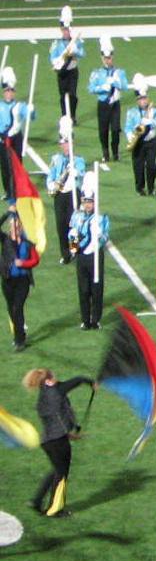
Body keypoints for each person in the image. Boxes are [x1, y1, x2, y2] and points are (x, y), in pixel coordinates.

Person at [24, 367, 94, 517]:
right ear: (49, 378)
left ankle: (36, 500)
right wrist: (91, 382)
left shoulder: (42, 396)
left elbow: (54, 420)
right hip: (58, 441)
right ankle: (55, 510)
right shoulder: (56, 389)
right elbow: (77, 380)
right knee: (62, 473)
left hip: (47, 441)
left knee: (57, 470)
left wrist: (69, 434)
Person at [68, 175, 109, 330]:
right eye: (85, 201)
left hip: (95, 256)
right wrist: (73, 248)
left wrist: (100, 235)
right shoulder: (76, 216)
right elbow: (71, 235)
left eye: (90, 202)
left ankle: (95, 319)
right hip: (82, 257)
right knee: (83, 289)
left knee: (96, 288)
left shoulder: (102, 218)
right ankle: (85, 319)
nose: (87, 205)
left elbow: (105, 237)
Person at [46, 117, 84, 265]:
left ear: (72, 143)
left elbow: (80, 172)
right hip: (60, 195)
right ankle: (65, 254)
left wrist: (75, 171)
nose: (64, 147)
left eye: (67, 143)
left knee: (73, 225)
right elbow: (50, 176)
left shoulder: (78, 159)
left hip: (73, 194)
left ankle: (74, 249)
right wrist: (52, 185)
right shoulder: (56, 159)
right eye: (63, 144)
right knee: (61, 225)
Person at [1, 208, 38, 352]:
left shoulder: (27, 243)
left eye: (17, 226)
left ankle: (19, 341)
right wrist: (7, 213)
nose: (14, 229)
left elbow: (35, 260)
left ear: (21, 227)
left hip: (23, 281)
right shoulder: (5, 240)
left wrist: (23, 263)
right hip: (7, 280)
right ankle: (20, 334)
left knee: (18, 308)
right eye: (12, 226)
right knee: (11, 308)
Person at [87, 36, 129, 163]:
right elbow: (91, 88)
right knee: (103, 130)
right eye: (105, 58)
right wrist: (102, 87)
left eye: (109, 58)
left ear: (112, 57)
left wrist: (115, 82)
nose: (107, 61)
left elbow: (125, 86)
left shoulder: (119, 72)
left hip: (115, 104)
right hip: (103, 104)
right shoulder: (97, 73)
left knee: (116, 129)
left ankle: (115, 151)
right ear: (102, 58)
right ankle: (105, 152)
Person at [123, 77, 156, 196]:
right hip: (138, 142)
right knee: (138, 166)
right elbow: (127, 127)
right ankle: (140, 187)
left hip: (151, 142)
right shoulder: (132, 112)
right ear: (137, 100)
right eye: (141, 99)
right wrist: (131, 136)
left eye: (145, 98)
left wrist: (149, 121)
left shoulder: (154, 111)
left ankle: (151, 187)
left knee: (151, 165)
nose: (143, 101)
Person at [0, 66, 34, 200]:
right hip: (2, 139)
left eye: (11, 91)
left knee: (17, 165)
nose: (9, 93)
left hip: (15, 139)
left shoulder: (20, 106)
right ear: (4, 92)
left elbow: (31, 117)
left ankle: (17, 189)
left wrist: (31, 111)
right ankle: (8, 191)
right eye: (6, 91)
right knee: (4, 166)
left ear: (14, 92)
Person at [49, 6, 84, 124]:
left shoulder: (76, 41)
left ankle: (72, 115)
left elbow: (83, 53)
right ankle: (65, 116)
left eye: (67, 30)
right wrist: (56, 62)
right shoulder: (56, 43)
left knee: (73, 95)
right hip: (62, 72)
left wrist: (75, 51)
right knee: (63, 95)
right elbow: (52, 57)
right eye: (63, 29)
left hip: (73, 71)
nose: (65, 32)